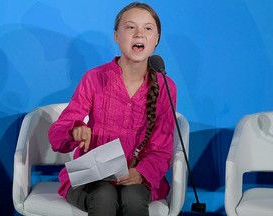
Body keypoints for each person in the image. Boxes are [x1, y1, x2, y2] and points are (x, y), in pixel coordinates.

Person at [48, 2, 177, 216]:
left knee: (133, 198)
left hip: (136, 178)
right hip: (92, 177)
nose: (139, 34)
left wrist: (141, 173)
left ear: (156, 40)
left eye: (147, 28)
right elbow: (56, 136)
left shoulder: (166, 86)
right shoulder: (94, 78)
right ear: (117, 36)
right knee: (105, 196)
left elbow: (162, 147)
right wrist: (74, 130)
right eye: (130, 27)